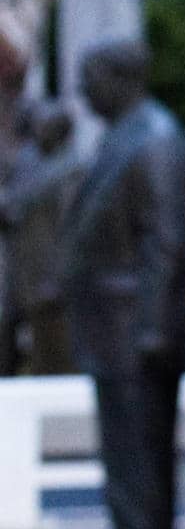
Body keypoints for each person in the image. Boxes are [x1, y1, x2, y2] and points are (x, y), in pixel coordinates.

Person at [64, 40, 185, 529]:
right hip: (116, 335)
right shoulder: (126, 136)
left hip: (137, 340)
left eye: (88, 78)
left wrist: (152, 332)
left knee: (140, 464)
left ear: (119, 77)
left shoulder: (156, 141)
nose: (81, 91)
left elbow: (165, 244)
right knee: (126, 463)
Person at [0, 99, 84, 374]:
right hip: (27, 274)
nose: (37, 132)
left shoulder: (72, 170)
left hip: (53, 278)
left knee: (56, 357)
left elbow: (72, 231)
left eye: (44, 127)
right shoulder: (32, 161)